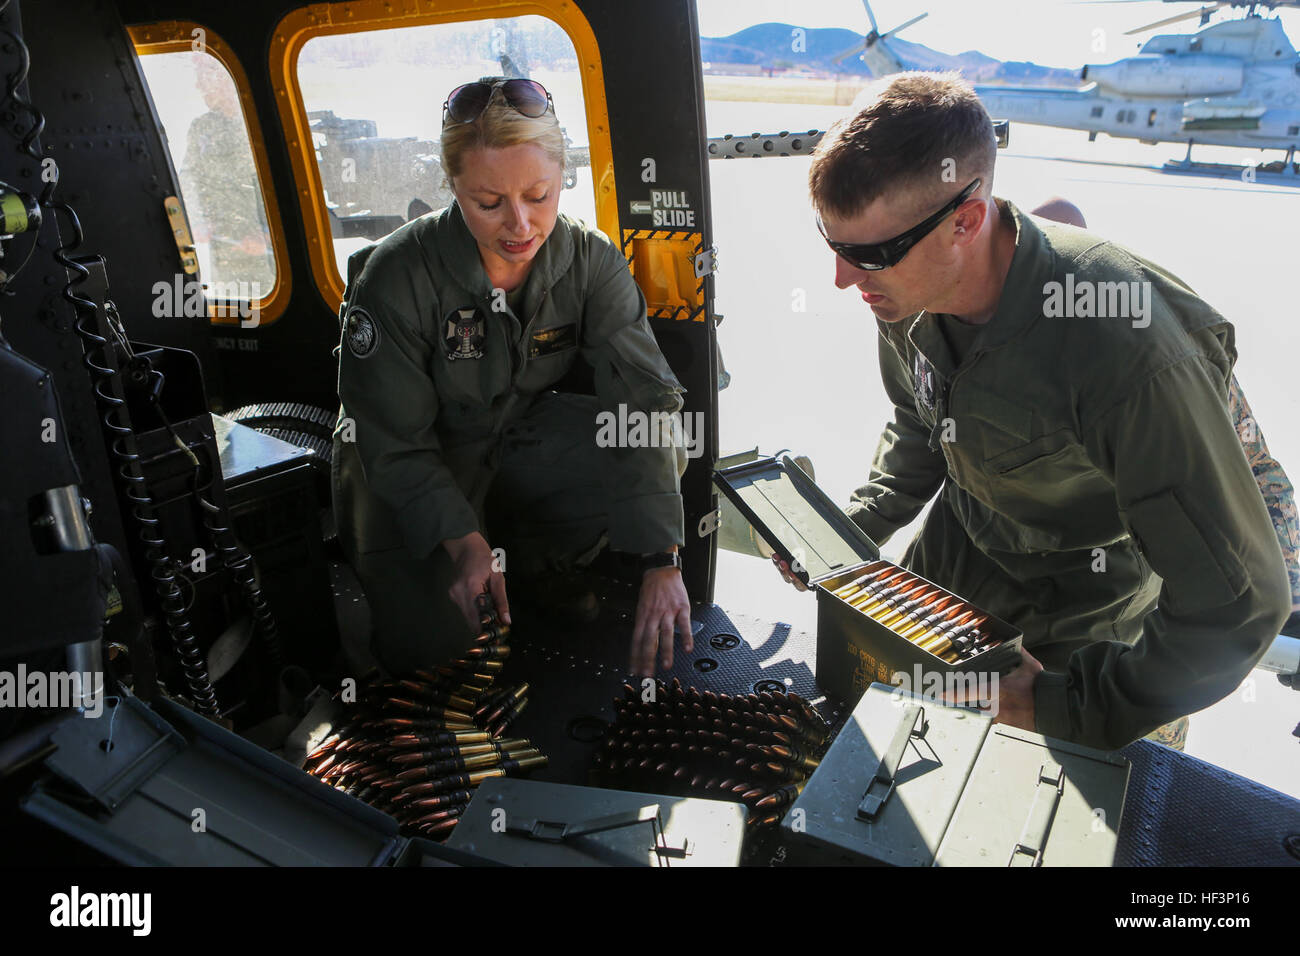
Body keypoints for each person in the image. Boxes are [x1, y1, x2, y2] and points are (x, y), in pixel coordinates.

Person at [774, 72, 1290, 750]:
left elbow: (1239, 601)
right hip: (953, 576)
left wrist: (1068, 706)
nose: (844, 279)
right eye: (834, 246)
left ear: (965, 220)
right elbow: (924, 425)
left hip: (1082, 617)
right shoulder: (904, 291)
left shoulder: (1124, 349)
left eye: (868, 255)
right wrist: (851, 529)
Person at [332, 77, 692, 677]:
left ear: (561, 177)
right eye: (488, 203)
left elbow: (645, 400)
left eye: (539, 194)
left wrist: (662, 558)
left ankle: (532, 566)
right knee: (437, 666)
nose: (520, 225)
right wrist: (462, 542)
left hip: (512, 438)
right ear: (453, 187)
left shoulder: (588, 259)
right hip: (402, 465)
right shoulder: (396, 277)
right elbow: (394, 442)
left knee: (659, 445)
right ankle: (458, 571)